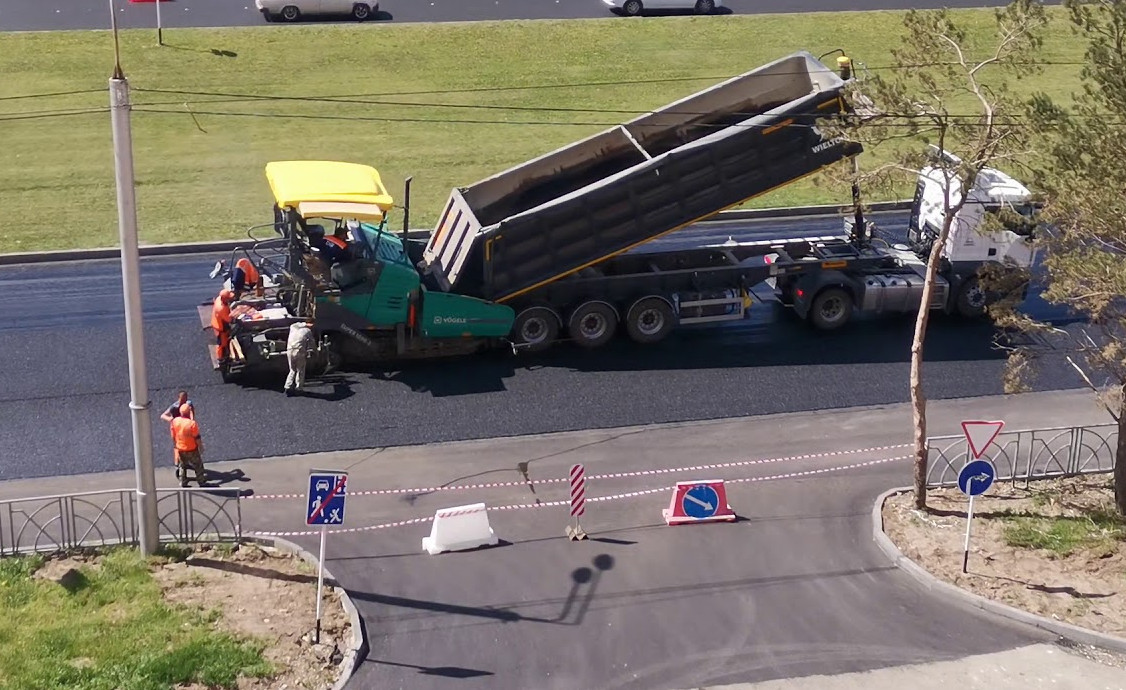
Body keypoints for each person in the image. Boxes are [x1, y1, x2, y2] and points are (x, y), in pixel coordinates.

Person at [160, 390, 196, 482]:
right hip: (177, 429)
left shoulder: (189, 404)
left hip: (187, 428)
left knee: (188, 445)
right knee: (178, 447)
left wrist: (192, 420)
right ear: (178, 398)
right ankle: (178, 466)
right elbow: (163, 415)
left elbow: (192, 412)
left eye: (185, 399)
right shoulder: (174, 407)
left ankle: (184, 463)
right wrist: (171, 420)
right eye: (182, 399)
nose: (184, 401)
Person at [170, 403, 206, 487]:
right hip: (191, 449)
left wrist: (176, 444)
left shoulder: (175, 421)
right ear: (189, 412)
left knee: (182, 465)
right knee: (198, 465)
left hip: (180, 448)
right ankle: (201, 481)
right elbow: (197, 437)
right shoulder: (192, 424)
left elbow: (173, 435)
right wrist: (201, 447)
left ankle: (183, 481)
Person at [285, 319, 315, 396]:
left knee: (292, 369)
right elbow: (312, 343)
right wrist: (316, 351)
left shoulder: (293, 327)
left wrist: (304, 323)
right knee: (300, 370)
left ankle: (288, 386)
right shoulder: (307, 331)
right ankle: (299, 388)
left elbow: (295, 324)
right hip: (299, 351)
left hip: (289, 350)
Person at [211, 289, 235, 363]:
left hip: (217, 320)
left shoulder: (219, 299)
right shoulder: (222, 309)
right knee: (222, 343)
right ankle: (221, 358)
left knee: (224, 340)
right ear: (225, 299)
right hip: (220, 326)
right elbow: (229, 320)